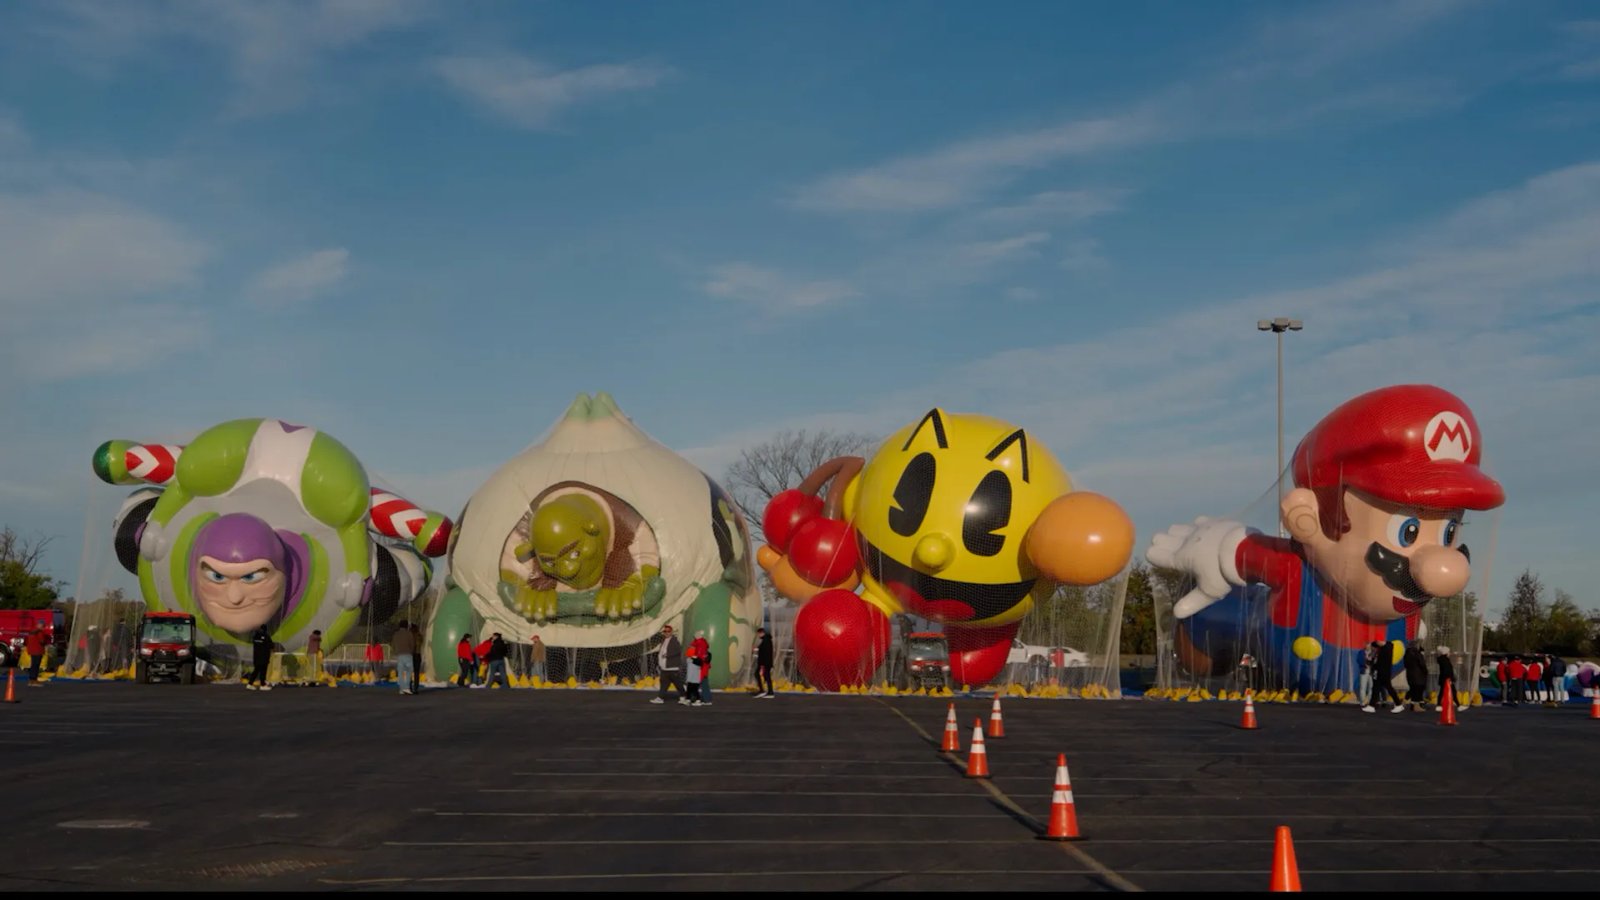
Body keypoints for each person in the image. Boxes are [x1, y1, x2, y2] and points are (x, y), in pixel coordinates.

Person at [1150, 386, 1504, 698]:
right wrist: (1219, 548)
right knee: (1224, 617)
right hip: (1279, 643)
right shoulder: (1300, 569)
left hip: (1353, 669)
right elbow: (1245, 554)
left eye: (1449, 533)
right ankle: (1202, 632)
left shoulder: (1401, 610)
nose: (1444, 570)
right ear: (1310, 518)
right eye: (1407, 532)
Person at [1363, 640, 1402, 713]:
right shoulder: (1382, 649)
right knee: (1376, 688)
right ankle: (1371, 706)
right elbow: (1374, 645)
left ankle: (1398, 704)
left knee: (1387, 688)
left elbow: (1379, 662)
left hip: (1383, 673)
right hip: (1379, 672)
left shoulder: (1386, 649)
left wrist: (1373, 663)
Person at [652, 624, 684, 705]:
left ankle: (684, 696)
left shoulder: (674, 640)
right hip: (665, 668)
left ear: (671, 632)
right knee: (663, 683)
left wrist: (667, 655)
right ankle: (660, 698)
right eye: (665, 631)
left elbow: (678, 650)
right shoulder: (664, 640)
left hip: (672, 668)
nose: (666, 633)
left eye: (668, 631)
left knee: (678, 683)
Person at [1435, 646, 1464, 712]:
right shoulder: (1445, 660)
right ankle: (1458, 706)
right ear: (1446, 653)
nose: (1450, 653)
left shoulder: (1444, 660)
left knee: (1443, 692)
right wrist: (1449, 679)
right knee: (1451, 692)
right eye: (1449, 652)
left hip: (1445, 679)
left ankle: (1439, 705)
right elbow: (1447, 671)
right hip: (1446, 679)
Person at [1402, 643, 1429, 711]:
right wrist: (1426, 671)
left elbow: (1405, 665)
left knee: (1413, 689)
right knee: (1418, 689)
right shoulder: (1417, 654)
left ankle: (1410, 704)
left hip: (1409, 674)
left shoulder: (1406, 654)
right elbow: (1422, 664)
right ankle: (1416, 706)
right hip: (1418, 675)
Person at [247, 623, 274, 691]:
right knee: (263, 671)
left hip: (256, 657)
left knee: (256, 671)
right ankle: (262, 685)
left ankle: (250, 684)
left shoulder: (255, 636)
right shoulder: (266, 636)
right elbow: (271, 645)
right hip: (264, 657)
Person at [392, 621, 416, 695]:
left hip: (399, 655)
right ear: (406, 626)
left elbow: (393, 644)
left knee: (400, 672)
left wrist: (396, 651)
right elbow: (413, 644)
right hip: (407, 654)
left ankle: (402, 688)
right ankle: (406, 687)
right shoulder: (409, 634)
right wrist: (411, 651)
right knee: (409, 671)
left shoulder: (396, 634)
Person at [690, 630, 713, 706]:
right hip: (703, 666)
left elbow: (700, 656)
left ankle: (701, 699)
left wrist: (694, 658)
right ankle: (706, 699)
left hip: (701, 666)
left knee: (700, 683)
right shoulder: (702, 643)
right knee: (704, 683)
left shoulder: (700, 644)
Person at [754, 627, 775, 698]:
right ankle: (765, 691)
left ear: (762, 633)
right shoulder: (765, 640)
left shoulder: (766, 641)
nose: (758, 636)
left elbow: (766, 653)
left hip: (765, 663)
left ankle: (769, 692)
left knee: (765, 676)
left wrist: (763, 664)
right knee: (764, 676)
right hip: (764, 663)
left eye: (759, 634)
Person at [410, 622, 424, 693]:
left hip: (411, 654)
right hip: (417, 655)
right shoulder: (418, 635)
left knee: (409, 672)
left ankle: (409, 687)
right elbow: (421, 641)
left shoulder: (410, 635)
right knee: (416, 672)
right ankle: (415, 688)